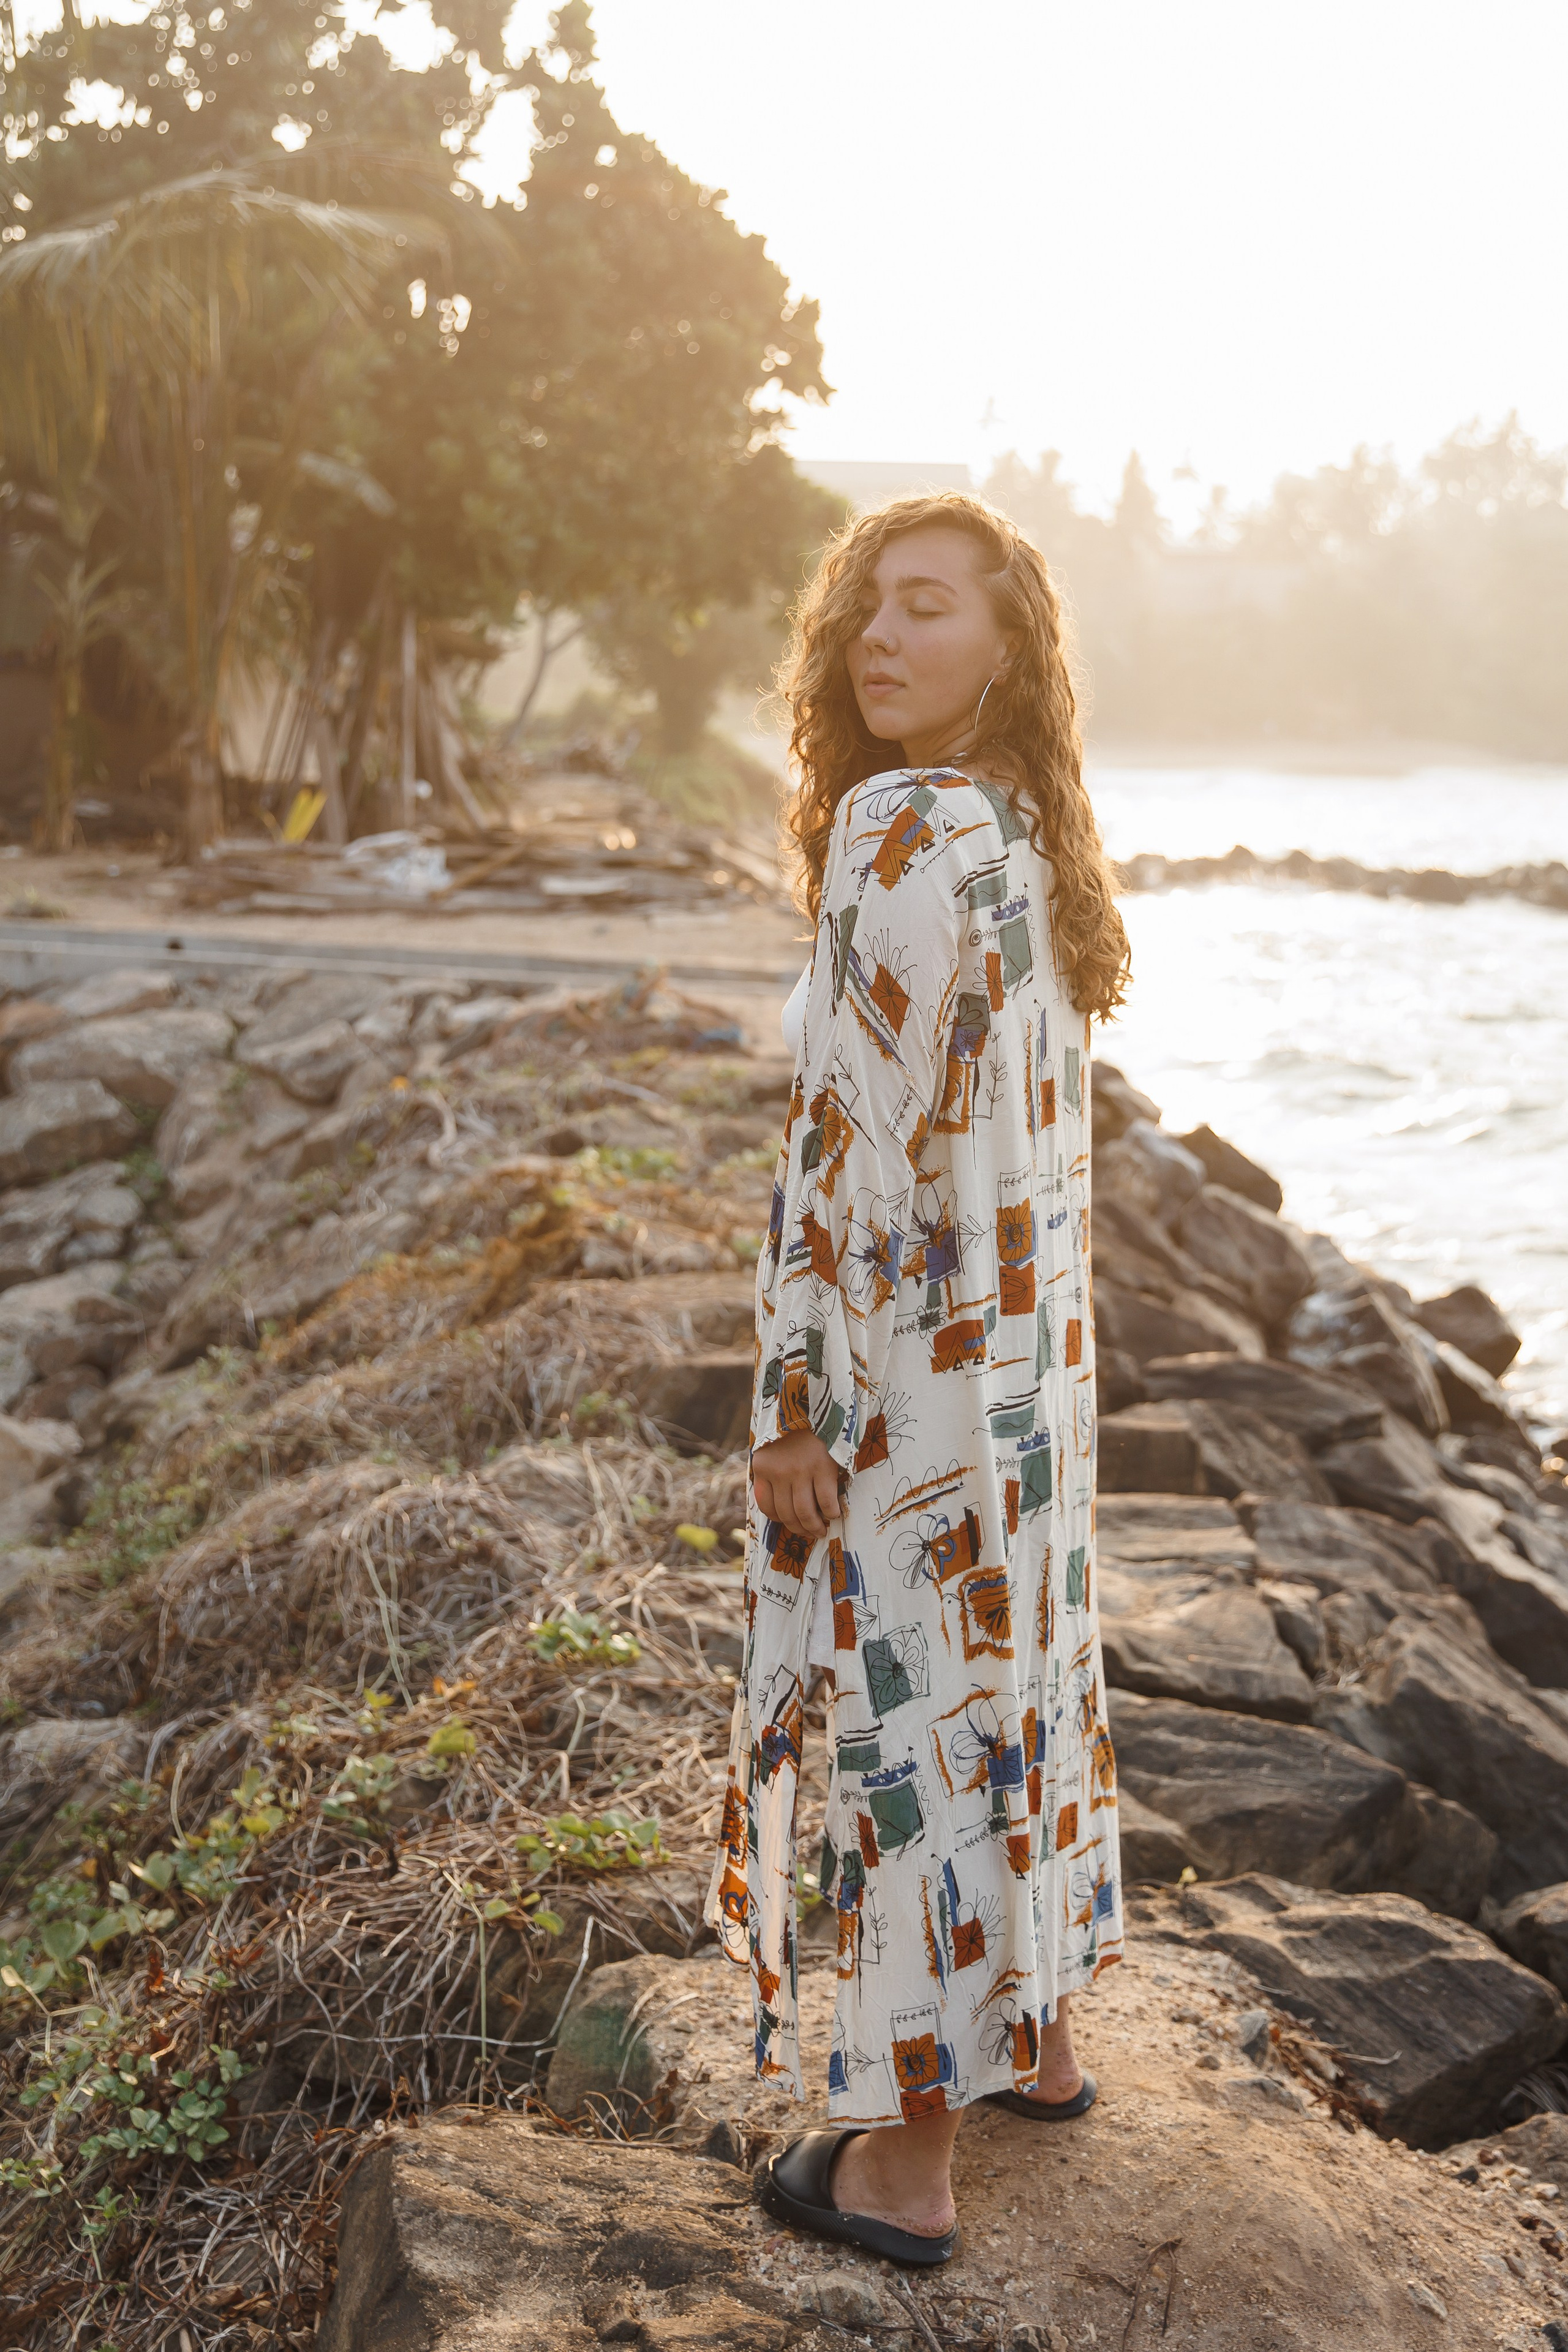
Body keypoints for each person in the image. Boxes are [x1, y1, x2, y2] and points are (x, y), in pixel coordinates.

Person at [704, 490, 1132, 2265]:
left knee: (910, 1735)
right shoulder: (1021, 836)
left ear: (1008, 648)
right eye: (870, 609)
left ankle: (903, 2167)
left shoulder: (901, 830)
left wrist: (794, 1397)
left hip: (918, 1380)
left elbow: (851, 1149)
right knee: (1009, 1690)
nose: (883, 639)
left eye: (931, 610)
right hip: (1028, 1386)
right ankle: (1031, 2041)